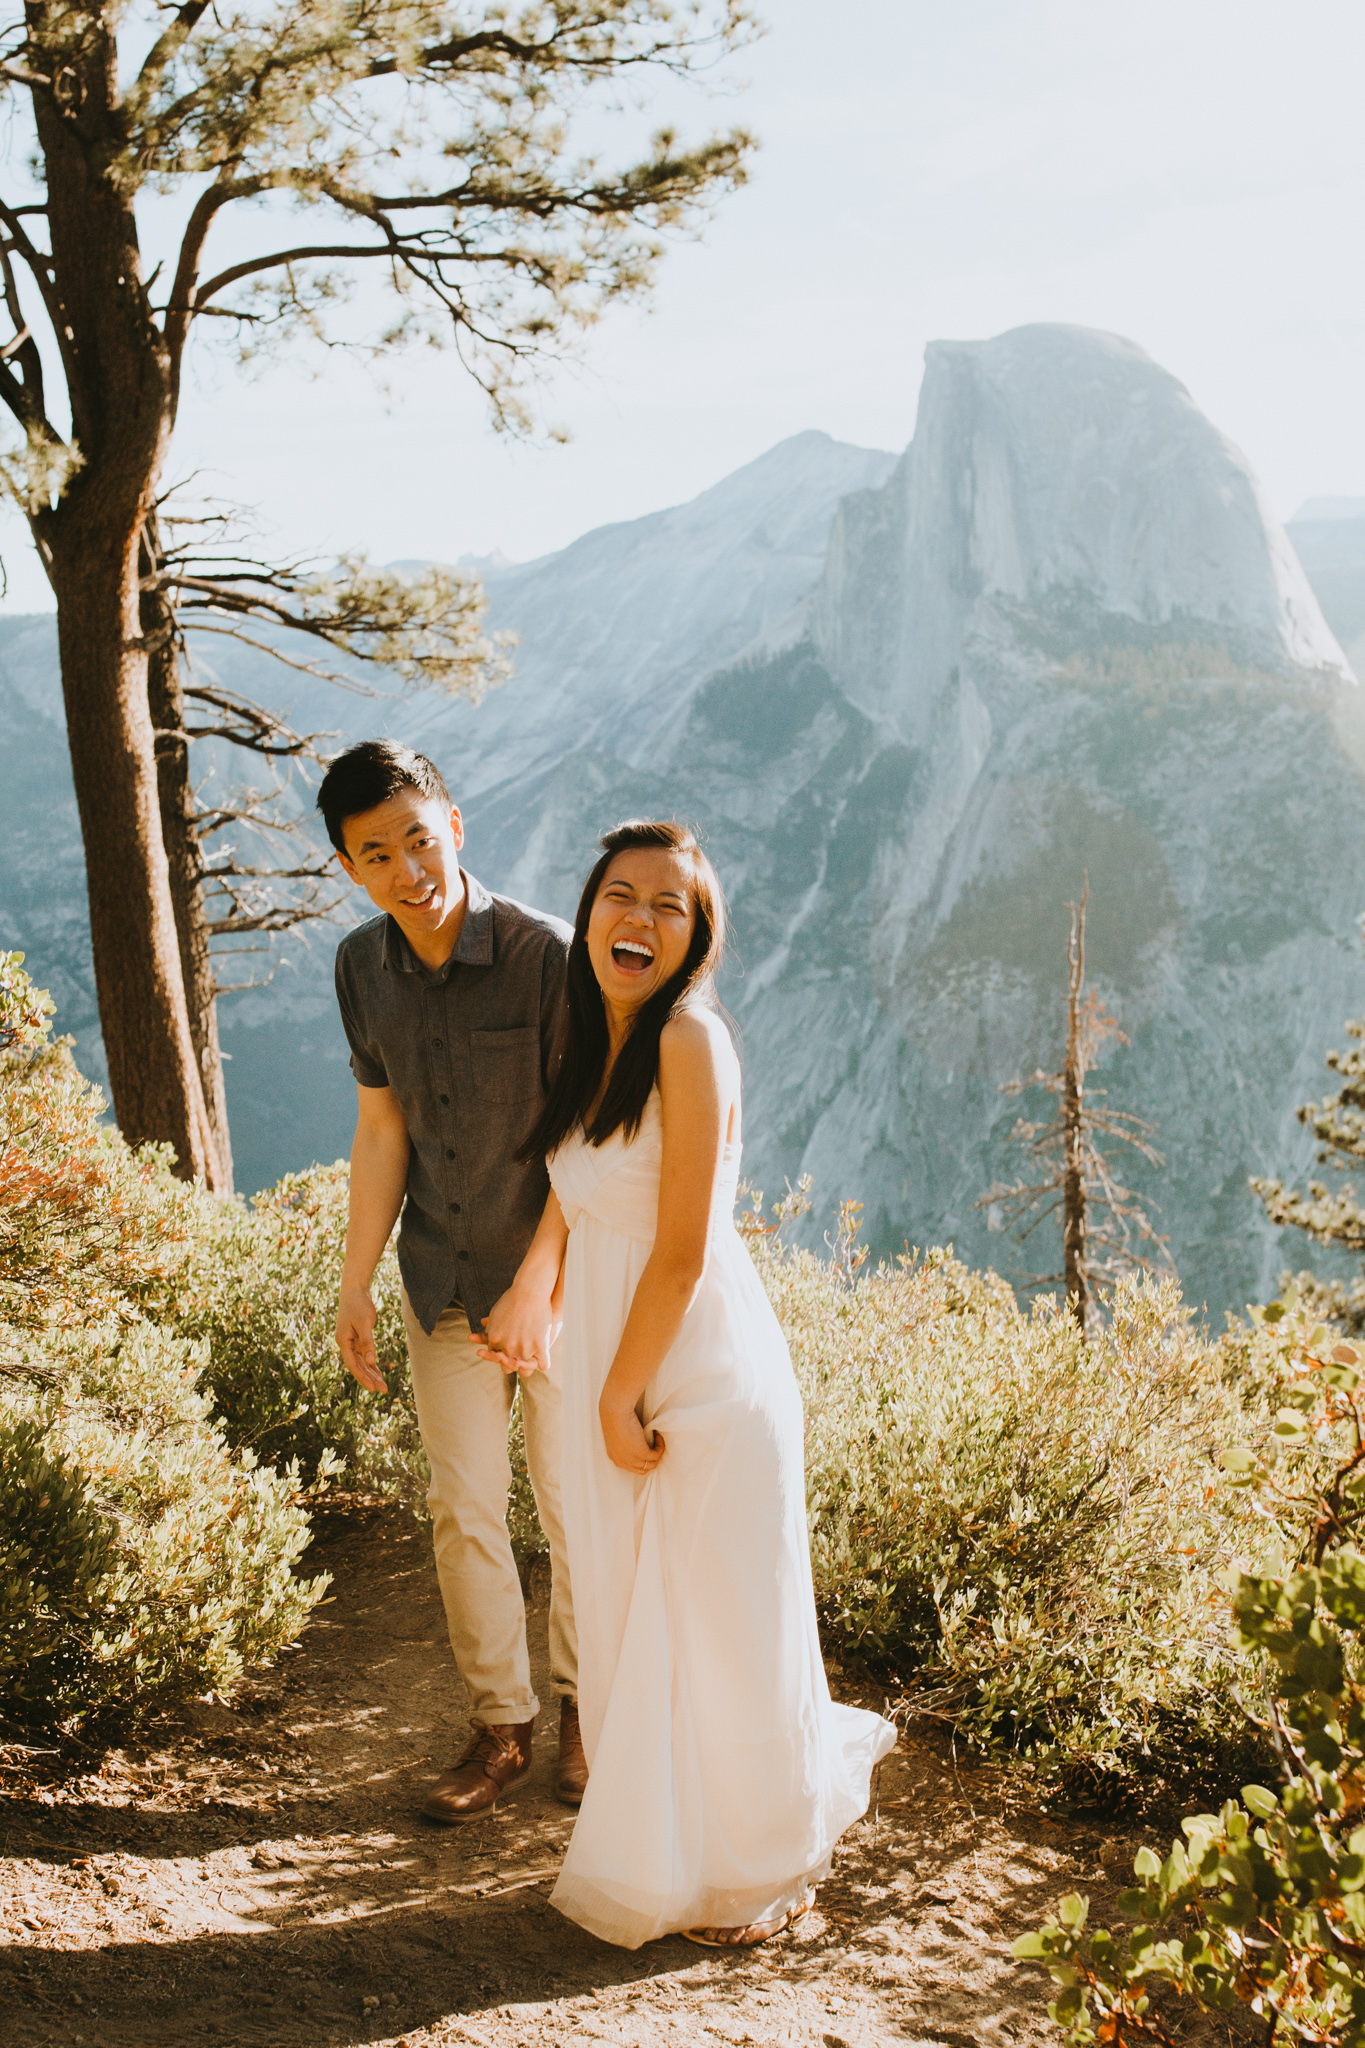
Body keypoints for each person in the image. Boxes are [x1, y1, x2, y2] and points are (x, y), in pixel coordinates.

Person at [480, 819, 894, 1950]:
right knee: (629, 1610)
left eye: (672, 904)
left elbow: (684, 1248)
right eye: (622, 893)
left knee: (720, 1616)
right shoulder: (599, 1036)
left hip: (691, 1364)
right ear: (591, 909)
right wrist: (538, 1280)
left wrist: (619, 1392)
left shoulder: (688, 1041)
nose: (641, 917)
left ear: (697, 935)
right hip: (612, 1351)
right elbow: (578, 1181)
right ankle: (666, 1849)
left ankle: (750, 1866)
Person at [318, 739, 585, 1822]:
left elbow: (590, 1133)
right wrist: (354, 1279)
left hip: (564, 1285)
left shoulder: (546, 957)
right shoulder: (357, 969)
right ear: (350, 867)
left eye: (418, 838)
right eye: (375, 853)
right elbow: (381, 1128)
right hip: (440, 1279)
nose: (406, 868)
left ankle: (589, 1717)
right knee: (464, 1511)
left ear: (456, 826)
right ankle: (501, 1727)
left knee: (579, 1513)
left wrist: (540, 1281)